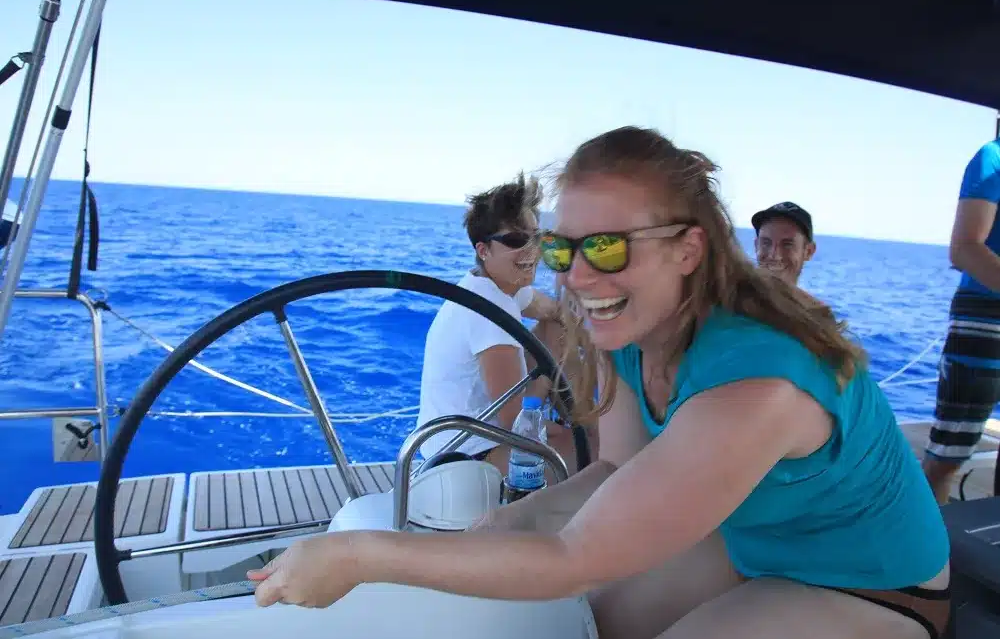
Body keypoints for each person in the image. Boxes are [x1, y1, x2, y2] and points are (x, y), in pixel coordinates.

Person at [248, 127, 950, 639]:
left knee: (580, 596)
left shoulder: (758, 385)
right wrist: (513, 519)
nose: (579, 276)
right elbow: (618, 467)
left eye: (608, 247)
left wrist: (357, 555)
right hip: (756, 542)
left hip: (872, 583)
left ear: (688, 248)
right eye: (561, 248)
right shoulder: (635, 333)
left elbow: (575, 559)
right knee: (591, 624)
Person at [414, 172, 583, 477]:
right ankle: (586, 427)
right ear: (483, 251)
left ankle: (583, 417)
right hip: (464, 457)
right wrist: (550, 369)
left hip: (449, 443)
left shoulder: (494, 286)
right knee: (593, 449)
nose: (532, 250)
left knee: (556, 328)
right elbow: (515, 420)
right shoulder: (491, 310)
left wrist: (586, 330)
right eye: (516, 240)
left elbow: (552, 312)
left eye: (536, 236)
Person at [923, 137, 1000, 505]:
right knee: (946, 458)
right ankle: (923, 540)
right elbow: (965, 247)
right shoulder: (993, 158)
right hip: (983, 321)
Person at [751, 201, 816, 286]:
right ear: (756, 246)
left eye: (787, 245)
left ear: (808, 252)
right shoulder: (735, 293)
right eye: (766, 243)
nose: (774, 256)